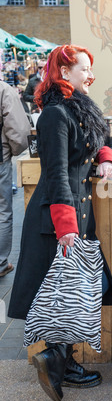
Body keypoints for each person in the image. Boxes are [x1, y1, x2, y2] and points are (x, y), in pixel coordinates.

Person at [8, 44, 112, 401]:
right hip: (58, 217)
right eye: (85, 69)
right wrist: (67, 228)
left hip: (76, 213)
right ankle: (56, 359)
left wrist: (106, 159)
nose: (91, 74)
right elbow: (56, 173)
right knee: (58, 292)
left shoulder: (79, 106)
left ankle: (60, 360)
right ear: (64, 73)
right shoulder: (55, 114)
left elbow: (97, 138)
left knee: (74, 291)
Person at [0, 79, 31, 278]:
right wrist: (11, 152)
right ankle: (0, 263)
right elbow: (19, 132)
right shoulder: (3, 89)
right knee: (2, 210)